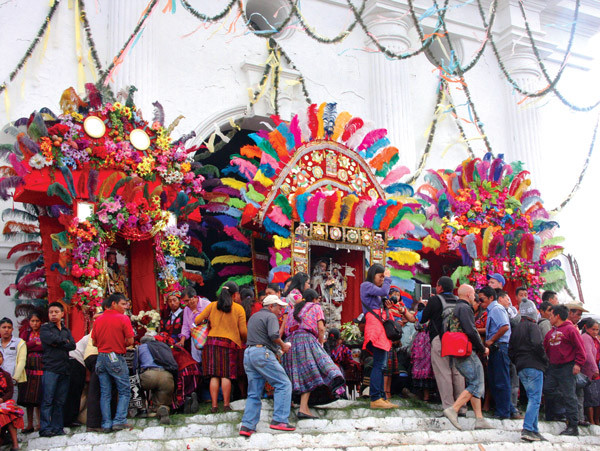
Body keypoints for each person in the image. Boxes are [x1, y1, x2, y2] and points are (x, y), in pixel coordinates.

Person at [283, 290, 344, 417]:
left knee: (297, 374)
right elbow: (321, 328)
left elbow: (286, 329)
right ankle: (303, 408)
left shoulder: (293, 309)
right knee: (311, 372)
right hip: (306, 340)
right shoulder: (315, 307)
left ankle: (293, 404)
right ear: (315, 299)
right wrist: (320, 343)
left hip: (290, 342)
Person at [239, 295, 294, 436]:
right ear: (271, 306)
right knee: (284, 384)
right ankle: (280, 420)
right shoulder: (271, 317)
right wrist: (283, 345)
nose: (280, 311)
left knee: (254, 392)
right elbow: (274, 335)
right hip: (262, 353)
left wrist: (278, 350)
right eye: (279, 307)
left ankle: (247, 426)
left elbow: (261, 337)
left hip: (249, 353)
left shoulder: (254, 317)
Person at [442, 284, 492, 431]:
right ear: (469, 295)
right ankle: (453, 409)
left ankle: (479, 419)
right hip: (466, 351)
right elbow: (471, 330)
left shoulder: (454, 308)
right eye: (473, 293)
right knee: (476, 382)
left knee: (475, 382)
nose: (475, 296)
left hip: (456, 351)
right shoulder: (465, 308)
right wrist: (482, 348)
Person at [195, 281, 247, 413]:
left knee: (214, 376)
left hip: (211, 343)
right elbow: (243, 331)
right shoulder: (238, 308)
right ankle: (226, 405)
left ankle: (214, 406)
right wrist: (245, 340)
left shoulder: (212, 305)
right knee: (226, 375)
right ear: (235, 294)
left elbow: (197, 321)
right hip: (229, 344)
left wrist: (209, 321)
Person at [420, 276, 465, 413]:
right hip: (457, 341)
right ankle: (461, 407)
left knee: (443, 372)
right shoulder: (458, 301)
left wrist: (424, 305)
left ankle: (449, 408)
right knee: (458, 373)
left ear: (440, 287)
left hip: (440, 339)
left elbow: (423, 319)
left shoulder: (435, 300)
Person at [92, 293, 135, 432]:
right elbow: (130, 341)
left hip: (101, 357)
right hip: (115, 356)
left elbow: (94, 342)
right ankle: (119, 420)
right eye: (123, 304)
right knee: (124, 390)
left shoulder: (98, 320)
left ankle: (106, 423)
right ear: (114, 304)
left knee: (105, 392)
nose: (125, 307)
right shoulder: (123, 318)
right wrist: (119, 343)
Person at [508, 299, 549, 442]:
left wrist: (518, 361)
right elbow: (538, 345)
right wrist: (545, 360)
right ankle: (528, 429)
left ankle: (534, 430)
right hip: (534, 365)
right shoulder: (533, 326)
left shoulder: (516, 328)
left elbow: (510, 350)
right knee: (535, 398)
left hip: (521, 367)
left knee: (533, 397)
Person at [543, 304, 587, 436]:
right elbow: (546, 349)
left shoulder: (570, 330)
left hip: (567, 366)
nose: (549, 318)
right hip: (553, 367)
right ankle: (555, 414)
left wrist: (578, 364)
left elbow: (580, 348)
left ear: (557, 316)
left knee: (569, 395)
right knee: (548, 389)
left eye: (551, 315)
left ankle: (573, 425)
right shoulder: (550, 333)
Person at [360, 264, 398, 409]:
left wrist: (386, 305)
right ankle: (375, 398)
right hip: (375, 327)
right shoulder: (366, 285)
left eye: (384, 277)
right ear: (372, 275)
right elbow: (383, 290)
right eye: (380, 276)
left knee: (382, 365)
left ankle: (381, 397)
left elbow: (383, 294)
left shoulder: (373, 289)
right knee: (379, 364)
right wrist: (388, 279)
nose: (382, 279)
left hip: (379, 326)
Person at [39, 302, 76, 437]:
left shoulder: (66, 330)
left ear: (62, 314)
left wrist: (58, 342)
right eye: (51, 312)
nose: (53, 314)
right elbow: (50, 339)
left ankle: (57, 427)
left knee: (60, 401)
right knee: (48, 399)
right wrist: (63, 342)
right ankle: (45, 428)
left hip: (64, 369)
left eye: (56, 312)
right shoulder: (45, 328)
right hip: (51, 368)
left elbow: (72, 345)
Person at [485, 288, 518, 419]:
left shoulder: (496, 309)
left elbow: (504, 326)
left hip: (500, 347)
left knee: (501, 381)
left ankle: (503, 412)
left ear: (491, 298)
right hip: (497, 347)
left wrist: (491, 340)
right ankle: (509, 409)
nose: (480, 302)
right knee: (495, 380)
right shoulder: (493, 310)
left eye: (482, 299)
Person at [135, 335, 177, 425]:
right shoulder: (164, 346)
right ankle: (161, 409)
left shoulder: (140, 347)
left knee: (136, 385)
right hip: (166, 376)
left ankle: (143, 409)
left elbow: (136, 365)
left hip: (149, 375)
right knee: (162, 399)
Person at [17, 312, 44, 433]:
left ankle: (40, 423)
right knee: (28, 399)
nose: (35, 323)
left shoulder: (44, 333)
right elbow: (22, 347)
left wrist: (31, 346)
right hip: (28, 369)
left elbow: (44, 347)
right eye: (32, 321)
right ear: (29, 322)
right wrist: (35, 343)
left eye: (37, 321)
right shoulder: (25, 333)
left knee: (39, 397)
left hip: (40, 368)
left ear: (41, 322)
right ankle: (29, 424)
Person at [63, 334, 89, 428]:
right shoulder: (92, 337)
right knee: (75, 392)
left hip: (71, 360)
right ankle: (70, 419)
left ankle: (68, 418)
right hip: (77, 362)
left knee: (72, 392)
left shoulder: (88, 337)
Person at [0, 350, 24, 450]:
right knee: (4, 415)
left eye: (0, 357)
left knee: (10, 414)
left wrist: (2, 399)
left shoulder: (6, 375)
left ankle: (15, 445)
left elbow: (10, 392)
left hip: (3, 403)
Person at [0, 318, 26, 402]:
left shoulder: (19, 343)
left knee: (11, 407)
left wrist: (15, 379)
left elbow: (22, 361)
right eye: (4, 327)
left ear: (12, 329)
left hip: (12, 382)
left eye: (9, 327)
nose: (6, 330)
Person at [580, 318, 600, 425]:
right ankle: (592, 420)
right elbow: (588, 355)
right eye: (593, 329)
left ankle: (595, 421)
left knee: (595, 398)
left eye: (597, 330)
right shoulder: (586, 338)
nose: (595, 332)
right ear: (586, 328)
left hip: (593, 371)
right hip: (588, 372)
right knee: (590, 398)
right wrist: (595, 369)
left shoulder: (593, 339)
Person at [281, 272, 310, 337]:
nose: (309, 286)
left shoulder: (294, 292)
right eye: (308, 283)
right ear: (302, 283)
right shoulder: (296, 294)